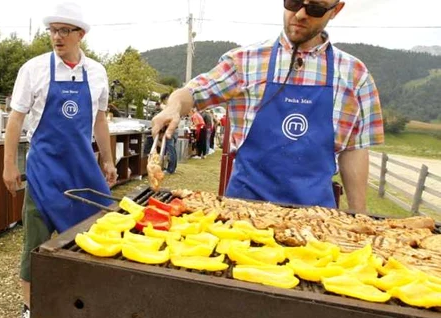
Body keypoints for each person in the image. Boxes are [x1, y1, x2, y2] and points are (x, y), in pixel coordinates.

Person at [152, 0, 383, 212]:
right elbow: (191, 93)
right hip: (243, 211)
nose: (300, 14)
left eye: (315, 8)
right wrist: (173, 106)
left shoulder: (355, 76)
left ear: (336, 10)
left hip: (315, 218)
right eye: (293, 2)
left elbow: (355, 149)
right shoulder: (245, 61)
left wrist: (358, 215)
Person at [1, 3, 117, 318]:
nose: (57, 37)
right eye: (53, 30)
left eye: (65, 30)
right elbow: (16, 119)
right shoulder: (34, 69)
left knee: (92, 242)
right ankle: (30, 311)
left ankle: (80, 305)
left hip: (83, 172)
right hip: (43, 172)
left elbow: (99, 120)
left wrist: (107, 160)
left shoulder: (97, 72)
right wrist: (10, 166)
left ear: (81, 34)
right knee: (35, 246)